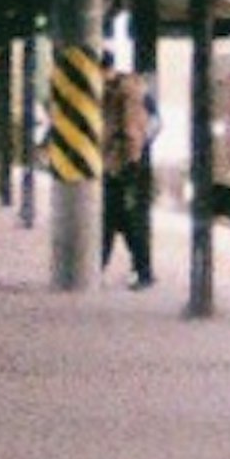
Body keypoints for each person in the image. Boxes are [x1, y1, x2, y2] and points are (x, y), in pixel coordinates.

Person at [100, 43, 155, 287]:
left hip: (121, 165)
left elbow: (131, 129)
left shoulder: (126, 91)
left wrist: (129, 164)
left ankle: (142, 271)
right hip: (115, 164)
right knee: (116, 219)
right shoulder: (113, 89)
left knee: (117, 219)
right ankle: (141, 270)